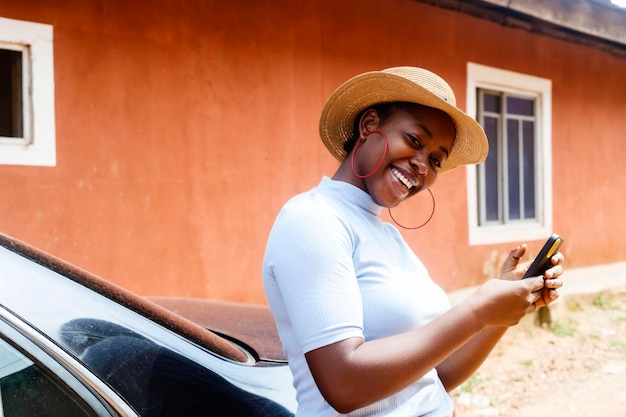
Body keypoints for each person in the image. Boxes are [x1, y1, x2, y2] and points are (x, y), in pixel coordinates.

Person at [262, 66, 564, 417]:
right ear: (369, 125)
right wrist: (479, 308)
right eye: (415, 141)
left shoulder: (386, 236)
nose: (423, 165)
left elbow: (438, 373)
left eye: (436, 159)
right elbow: (343, 384)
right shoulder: (312, 219)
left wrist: (499, 313)